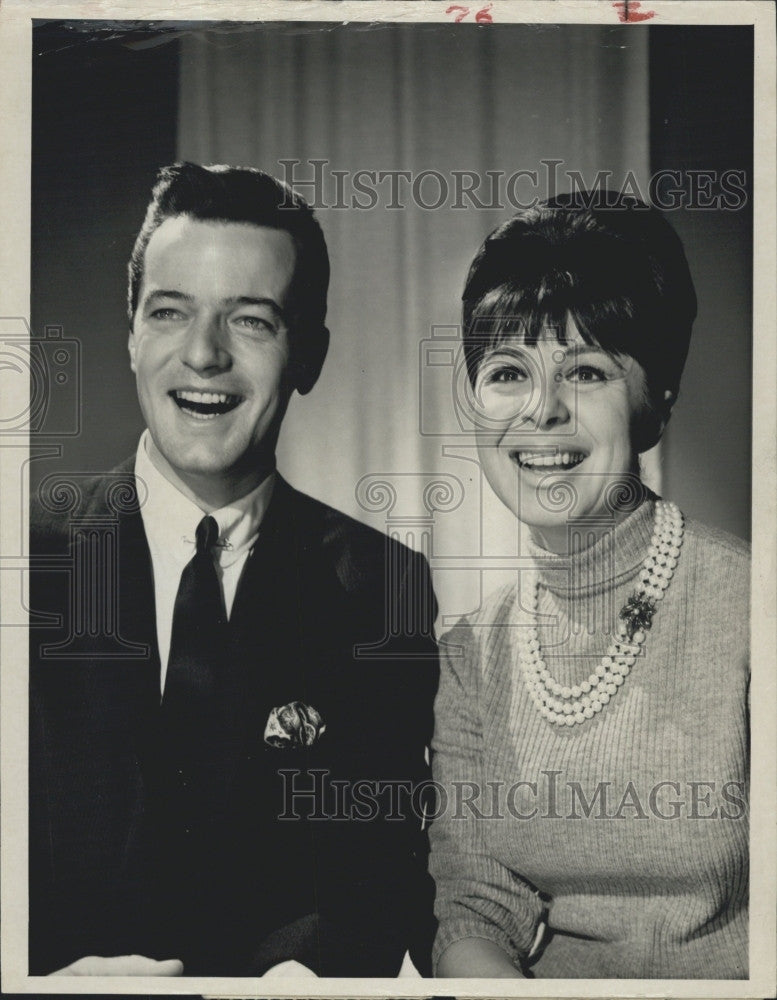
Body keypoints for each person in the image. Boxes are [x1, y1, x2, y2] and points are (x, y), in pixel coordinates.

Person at [29, 162, 438, 978]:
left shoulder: (380, 586)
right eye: (170, 313)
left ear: (310, 356)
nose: (204, 355)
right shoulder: (19, 562)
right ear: (132, 334)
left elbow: (379, 870)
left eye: (250, 322)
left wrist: (299, 977)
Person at [429, 193, 749, 979]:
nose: (541, 411)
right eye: (507, 372)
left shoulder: (753, 610)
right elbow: (473, 911)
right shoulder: (472, 651)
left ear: (655, 400)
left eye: (586, 370)